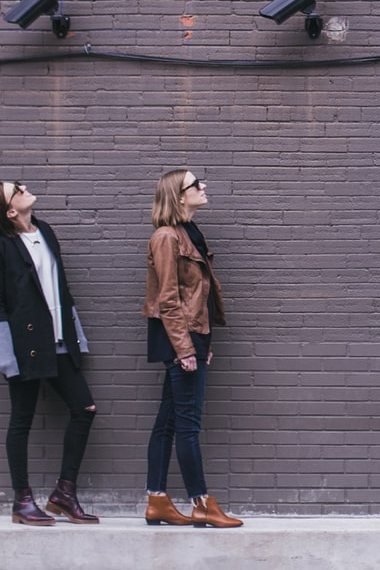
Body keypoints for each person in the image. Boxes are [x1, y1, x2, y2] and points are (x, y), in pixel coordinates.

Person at [0, 180, 99, 526]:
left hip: (59, 342)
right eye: (16, 189)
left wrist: (77, 336)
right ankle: (22, 501)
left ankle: (64, 493)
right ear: (10, 211)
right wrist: (7, 358)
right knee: (21, 420)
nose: (24, 187)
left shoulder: (45, 231)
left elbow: (61, 287)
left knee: (85, 408)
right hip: (25, 348)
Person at [142, 168, 242, 529]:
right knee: (188, 425)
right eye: (195, 184)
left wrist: (203, 341)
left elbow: (197, 297)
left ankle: (156, 500)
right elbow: (168, 299)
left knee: (168, 422)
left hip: (190, 337)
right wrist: (186, 348)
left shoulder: (188, 232)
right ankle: (201, 503)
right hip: (179, 339)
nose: (204, 186)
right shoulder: (167, 238)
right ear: (178, 195)